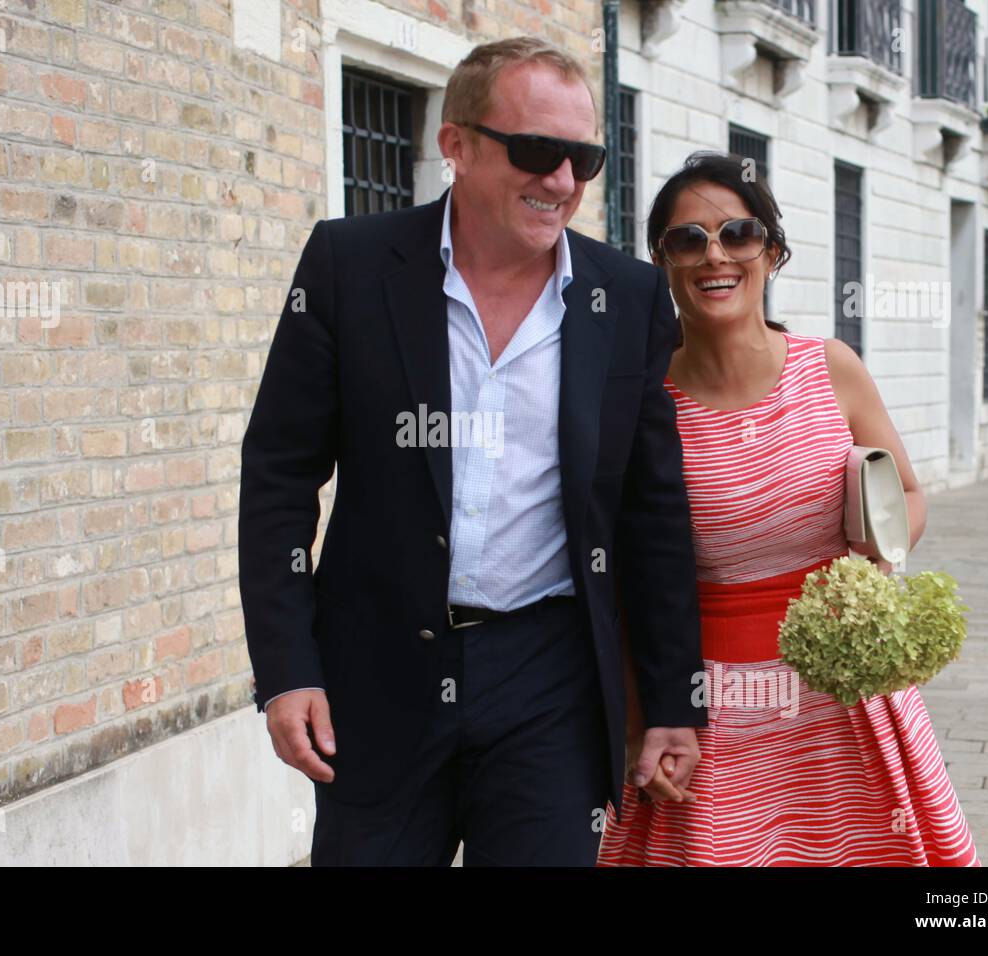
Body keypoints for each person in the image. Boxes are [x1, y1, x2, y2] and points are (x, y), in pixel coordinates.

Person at [238, 37, 705, 866]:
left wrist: (672, 701)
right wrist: (286, 668)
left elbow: (653, 513)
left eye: (583, 159)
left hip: (550, 681)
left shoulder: (628, 298)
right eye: (535, 151)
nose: (561, 181)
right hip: (376, 677)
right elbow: (278, 474)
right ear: (455, 143)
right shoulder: (347, 267)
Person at [597, 151, 980, 866]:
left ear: (770, 252)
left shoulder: (829, 365)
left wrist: (872, 576)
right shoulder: (643, 402)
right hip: (707, 712)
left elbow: (910, 495)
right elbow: (626, 580)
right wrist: (639, 720)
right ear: (662, 260)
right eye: (688, 239)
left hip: (846, 701)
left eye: (738, 234)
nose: (716, 255)